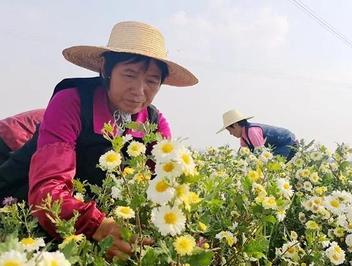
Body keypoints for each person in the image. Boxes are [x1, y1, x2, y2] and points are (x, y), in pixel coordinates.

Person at [0, 21, 197, 257]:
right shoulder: (71, 103)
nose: (139, 90)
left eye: (152, 81)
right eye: (129, 74)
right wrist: (96, 225)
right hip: (24, 204)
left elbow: (162, 185)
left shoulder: (154, 122)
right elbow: (48, 190)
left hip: (86, 217)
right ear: (106, 69)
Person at [217, 109, 298, 161]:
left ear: (235, 125)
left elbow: (260, 153)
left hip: (287, 142)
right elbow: (243, 154)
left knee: (274, 167)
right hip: (281, 145)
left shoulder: (252, 131)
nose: (231, 134)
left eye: (230, 130)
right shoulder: (243, 138)